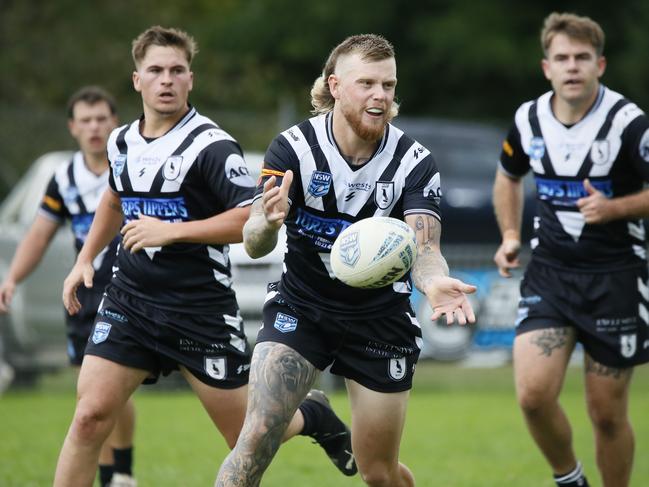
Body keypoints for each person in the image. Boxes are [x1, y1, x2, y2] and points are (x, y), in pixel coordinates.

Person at [54, 26, 355, 487]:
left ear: (190, 79)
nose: (166, 80)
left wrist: (171, 232)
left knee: (246, 435)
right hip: (129, 303)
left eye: (176, 71)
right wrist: (84, 261)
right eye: (155, 71)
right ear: (138, 80)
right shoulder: (120, 142)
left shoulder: (212, 145)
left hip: (199, 311)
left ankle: (313, 414)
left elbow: (246, 218)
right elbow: (115, 199)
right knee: (90, 417)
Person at [216, 34, 476, 487]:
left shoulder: (413, 161)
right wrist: (266, 223)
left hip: (380, 317)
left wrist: (434, 283)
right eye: (367, 84)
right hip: (303, 305)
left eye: (389, 85)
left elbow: (426, 250)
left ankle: (326, 420)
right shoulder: (292, 149)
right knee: (255, 435)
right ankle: (312, 414)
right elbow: (254, 243)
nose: (381, 96)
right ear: (335, 86)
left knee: (378, 471)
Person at [493, 12, 649, 487]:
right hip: (552, 276)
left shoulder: (629, 123)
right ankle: (569, 478)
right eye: (562, 58)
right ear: (547, 67)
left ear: (600, 64)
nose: (572, 67)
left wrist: (615, 207)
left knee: (605, 415)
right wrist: (511, 237)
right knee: (533, 396)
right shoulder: (528, 118)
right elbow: (508, 177)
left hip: (616, 277)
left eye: (582, 57)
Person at [0, 86, 137, 487]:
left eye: (101, 119)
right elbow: (39, 234)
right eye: (86, 120)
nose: (94, 127)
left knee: (111, 390)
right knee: (92, 392)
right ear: (73, 127)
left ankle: (119, 472)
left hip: (129, 288)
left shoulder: (133, 167)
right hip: (84, 289)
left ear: (114, 123)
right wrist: (12, 279)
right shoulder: (64, 178)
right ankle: (115, 475)